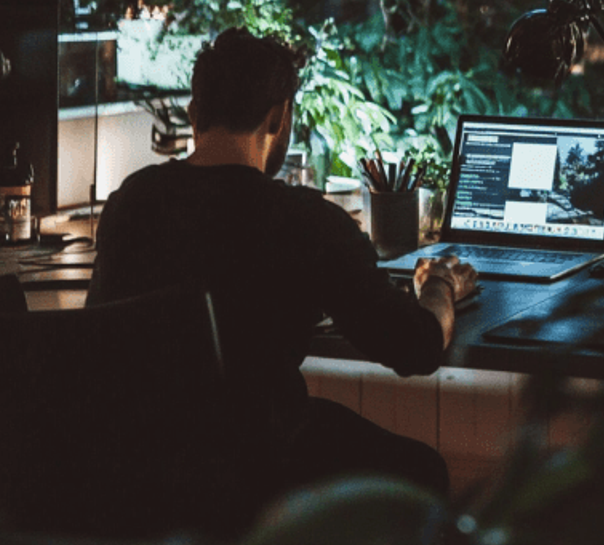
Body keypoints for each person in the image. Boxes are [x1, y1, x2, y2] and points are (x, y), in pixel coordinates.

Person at [87, 26, 477, 511]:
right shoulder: (304, 221)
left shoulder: (130, 202)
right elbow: (416, 347)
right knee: (423, 471)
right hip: (255, 466)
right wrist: (439, 282)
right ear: (278, 117)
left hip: (133, 469)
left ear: (193, 112)